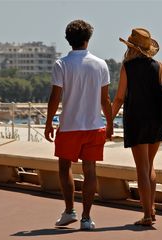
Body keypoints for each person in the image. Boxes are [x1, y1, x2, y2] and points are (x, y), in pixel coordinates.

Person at [44, 19, 113, 230]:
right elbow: (105, 100)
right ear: (88, 39)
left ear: (68, 40)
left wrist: (48, 122)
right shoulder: (100, 64)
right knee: (90, 170)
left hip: (69, 126)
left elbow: (55, 98)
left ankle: (69, 211)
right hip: (94, 126)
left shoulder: (61, 64)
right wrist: (110, 124)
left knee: (65, 168)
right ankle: (86, 218)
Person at [112, 28, 162, 226]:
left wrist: (108, 121)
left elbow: (120, 97)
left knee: (142, 169)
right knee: (150, 166)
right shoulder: (160, 66)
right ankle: (152, 209)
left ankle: (147, 215)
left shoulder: (127, 67)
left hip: (137, 121)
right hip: (156, 122)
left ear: (132, 48)